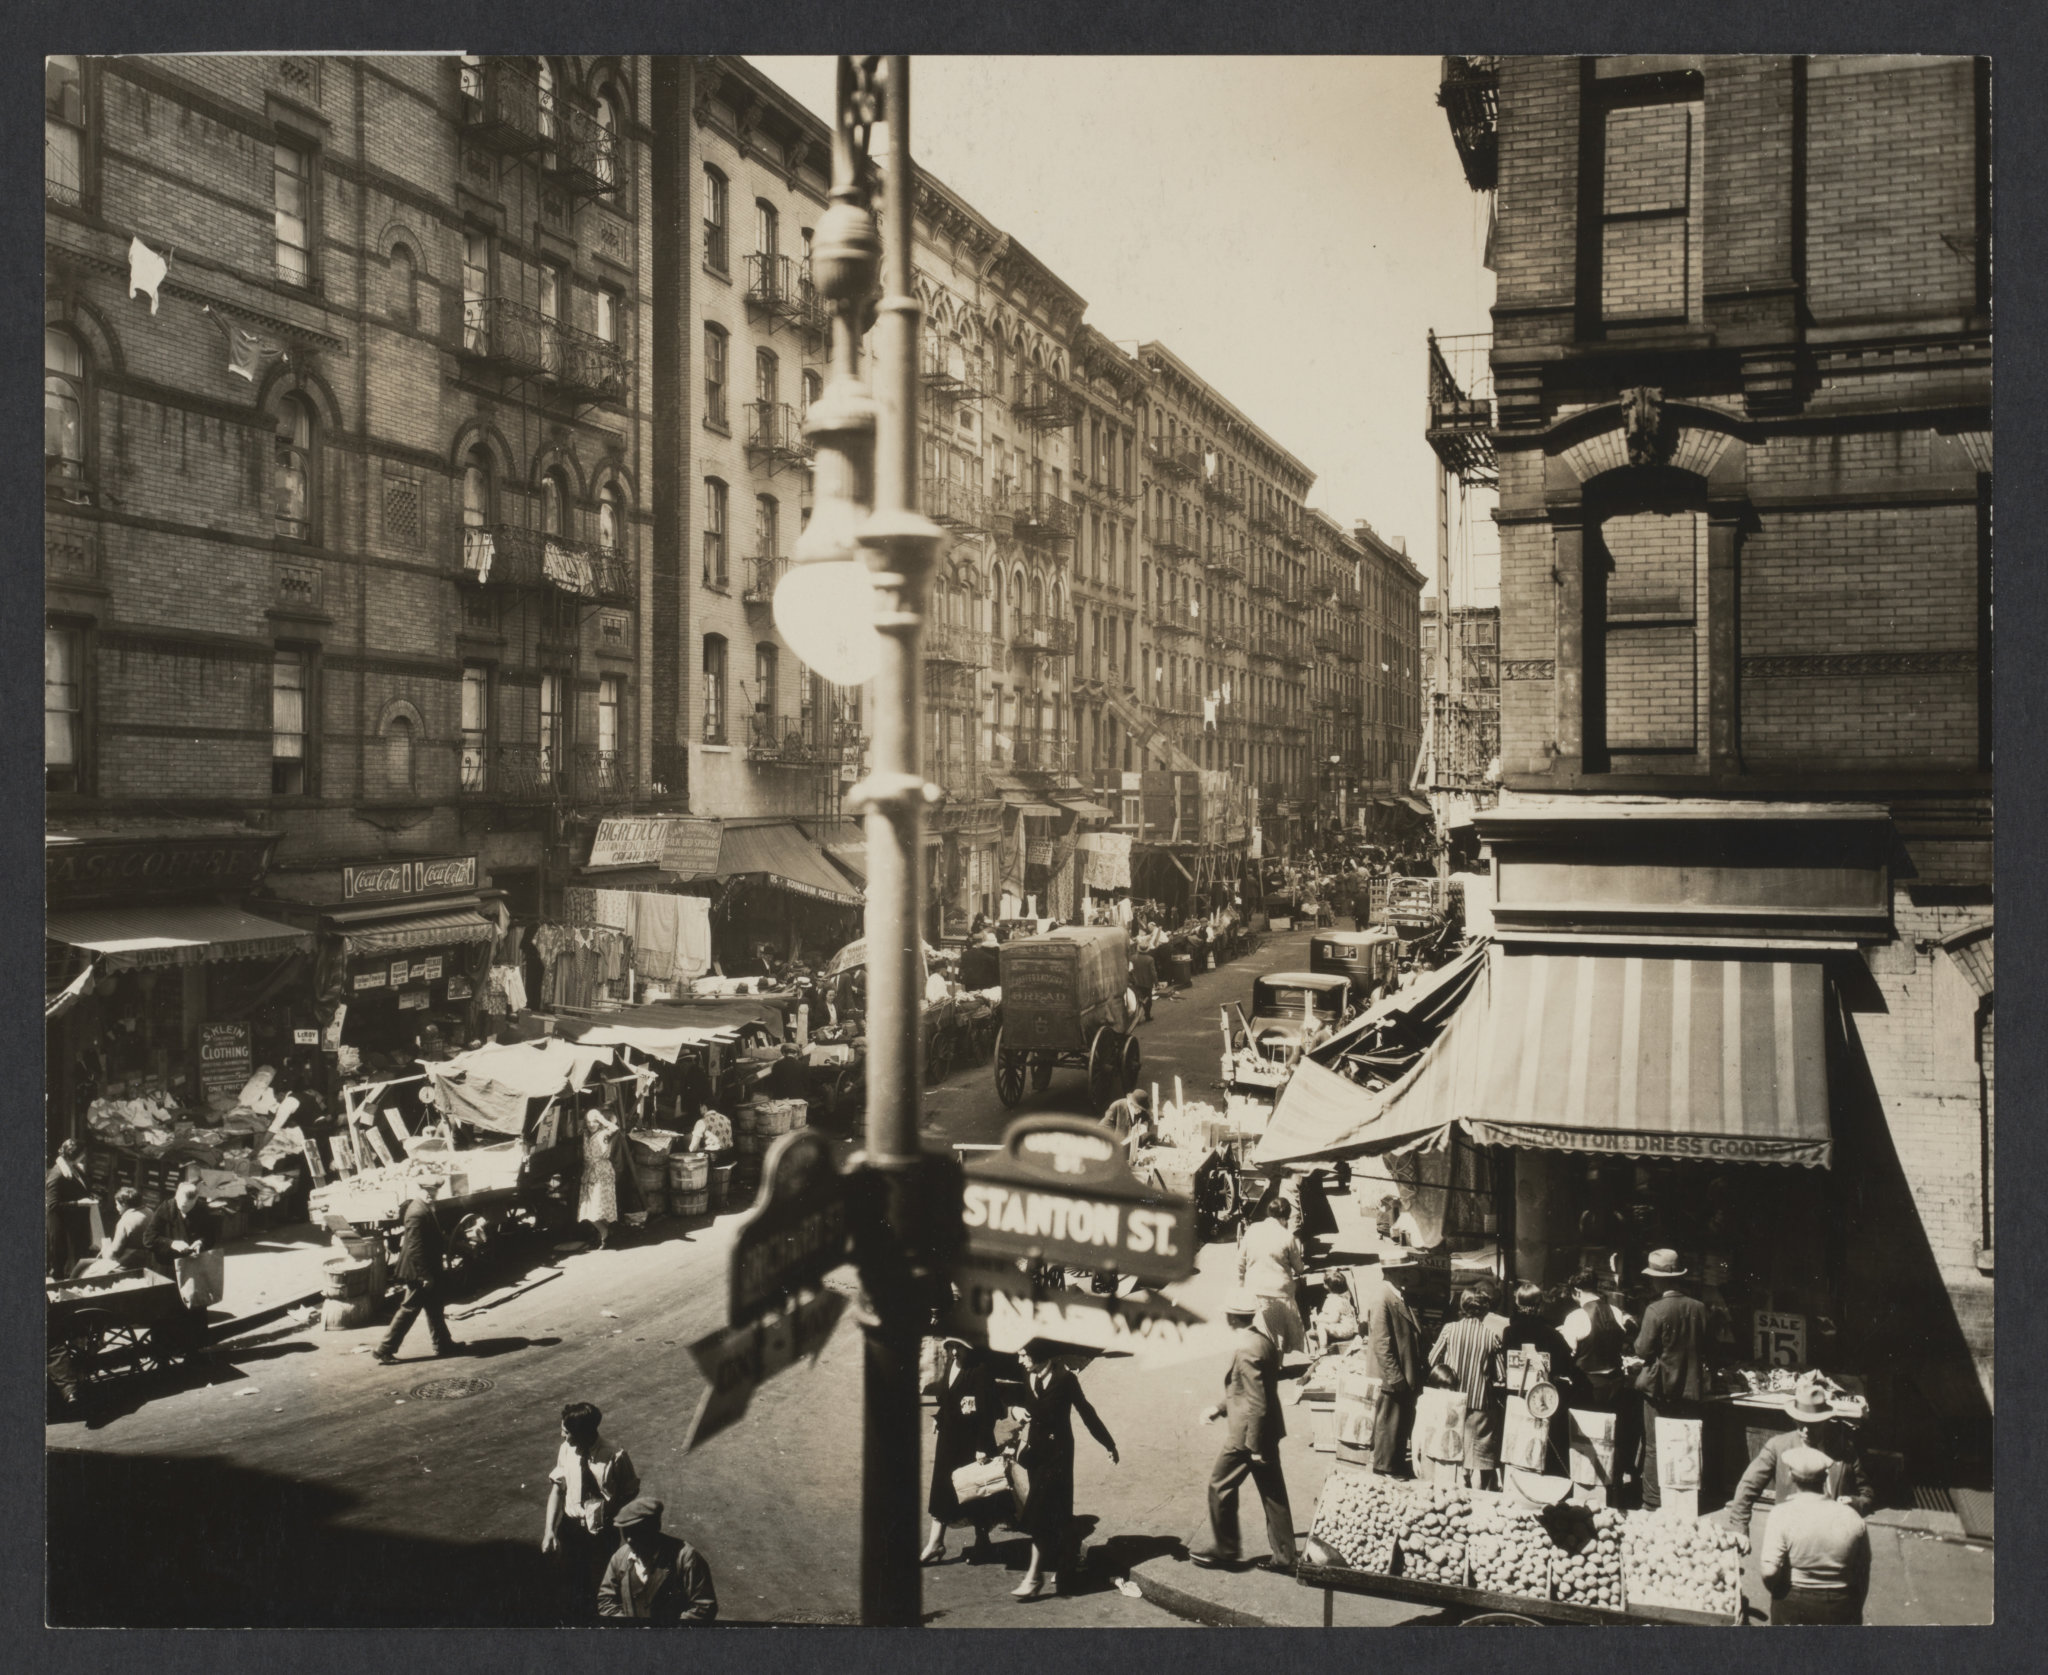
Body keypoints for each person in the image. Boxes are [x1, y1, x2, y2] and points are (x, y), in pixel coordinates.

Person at [1193, 1291, 1297, 1573]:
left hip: (1247, 1435)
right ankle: (1286, 1556)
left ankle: (1225, 1550)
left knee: (1219, 1485)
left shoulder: (1246, 1348)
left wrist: (1255, 1446)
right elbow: (1250, 1391)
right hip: (1268, 1430)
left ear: (1233, 1317)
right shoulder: (1263, 1341)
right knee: (1273, 1494)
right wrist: (1219, 1407)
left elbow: (1256, 1401)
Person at [1007, 1342, 1119, 1599]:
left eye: (1024, 1355)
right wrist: (1015, 1411)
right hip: (1035, 1455)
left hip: (1057, 1456)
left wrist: (1108, 1443)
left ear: (1040, 1355)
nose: (1019, 1359)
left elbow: (1086, 1412)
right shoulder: (1028, 1374)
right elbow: (1017, 1400)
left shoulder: (1065, 1379)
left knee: (1038, 1513)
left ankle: (1034, 1578)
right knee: (1056, 1514)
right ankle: (1068, 1560)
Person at [1726, 1381, 1875, 1542]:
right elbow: (1748, 1487)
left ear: (1825, 1420)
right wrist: (1739, 1529)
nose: (1805, 1430)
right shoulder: (1778, 1446)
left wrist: (1854, 1503)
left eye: (1813, 1424)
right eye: (1801, 1423)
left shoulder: (1844, 1450)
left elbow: (1867, 1495)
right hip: (1792, 1538)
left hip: (1833, 1538)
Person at [543, 1400, 642, 1622]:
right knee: (569, 1586)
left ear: (584, 1431)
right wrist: (549, 1530)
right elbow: (557, 1491)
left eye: (566, 1432)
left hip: (601, 1533)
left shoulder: (614, 1455)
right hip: (570, 1529)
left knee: (600, 1589)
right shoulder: (566, 1450)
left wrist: (610, 1509)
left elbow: (631, 1490)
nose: (562, 1436)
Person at [1633, 1249, 1712, 1511]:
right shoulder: (1699, 1308)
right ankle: (1686, 1499)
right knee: (1687, 1442)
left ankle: (1653, 1501)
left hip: (1660, 1389)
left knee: (1656, 1444)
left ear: (1659, 1280)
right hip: (1691, 1386)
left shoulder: (1655, 1310)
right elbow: (1706, 1346)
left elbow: (1642, 1350)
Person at [1758, 1446, 1871, 1624]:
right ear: (1825, 1478)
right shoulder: (1852, 1517)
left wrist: (1779, 1594)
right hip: (1841, 1605)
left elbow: (1769, 1572)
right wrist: (1854, 1609)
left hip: (1794, 1604)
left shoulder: (1781, 1514)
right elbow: (1862, 1573)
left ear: (1790, 1476)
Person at [1560, 1270, 1642, 1501]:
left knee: (1587, 1442)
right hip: (1615, 1385)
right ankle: (1612, 1489)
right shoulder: (1616, 1311)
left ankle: (1587, 1492)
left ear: (1576, 1292)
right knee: (1612, 1439)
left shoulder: (1575, 1317)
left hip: (1588, 1386)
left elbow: (1569, 1352)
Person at [922, 1337, 1001, 1566]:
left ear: (970, 1348)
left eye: (960, 1348)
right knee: (942, 1491)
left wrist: (982, 1447)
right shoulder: (951, 1365)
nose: (955, 1352)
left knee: (977, 1494)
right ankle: (936, 1543)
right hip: (949, 1442)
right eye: (952, 1347)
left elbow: (988, 1413)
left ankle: (982, 1541)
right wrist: (939, 1418)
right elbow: (948, 1399)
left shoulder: (980, 1371)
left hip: (971, 1445)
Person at [1427, 1287, 1505, 1489]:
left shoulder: (1449, 1329)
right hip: (1481, 1403)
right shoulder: (1491, 1336)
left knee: (1451, 1451)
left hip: (1451, 1401)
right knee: (1478, 1457)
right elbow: (1501, 1375)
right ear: (1485, 1310)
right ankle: (1477, 1498)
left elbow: (1432, 1359)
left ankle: (1454, 1490)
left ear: (1462, 1307)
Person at [373, 1189, 461, 1364]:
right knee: (410, 1308)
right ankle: (384, 1349)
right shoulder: (417, 1212)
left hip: (427, 1267)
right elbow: (415, 1247)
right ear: (418, 1190)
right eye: (427, 1191)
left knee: (435, 1306)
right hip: (418, 1270)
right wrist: (424, 1275)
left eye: (434, 1191)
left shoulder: (423, 1207)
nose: (431, 1194)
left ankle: (443, 1344)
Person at [597, 1497, 718, 1623]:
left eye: (636, 1531)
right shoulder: (620, 1557)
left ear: (655, 1527)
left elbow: (703, 1606)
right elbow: (606, 1601)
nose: (629, 1540)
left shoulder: (685, 1557)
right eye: (625, 1533)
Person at [1363, 1253, 1425, 1476]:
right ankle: (1385, 1467)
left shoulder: (1396, 1294)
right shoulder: (1382, 1298)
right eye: (1403, 1270)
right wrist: (1395, 1375)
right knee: (1388, 1423)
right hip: (1391, 1376)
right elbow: (1381, 1342)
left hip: (1401, 1371)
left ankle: (1394, 1464)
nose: (1407, 1274)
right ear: (1392, 1272)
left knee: (1397, 1422)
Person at [1236, 1196, 1307, 1360]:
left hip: (1254, 1288)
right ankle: (1277, 1366)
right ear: (1285, 1217)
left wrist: (1241, 1282)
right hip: (1280, 1292)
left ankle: (1258, 1361)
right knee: (1279, 1331)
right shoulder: (1287, 1236)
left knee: (1259, 1329)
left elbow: (1240, 1259)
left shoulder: (1252, 1229)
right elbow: (1299, 1268)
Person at [46, 1139, 99, 1279]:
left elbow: (80, 1188)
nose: (85, 1157)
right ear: (75, 1156)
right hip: (63, 1228)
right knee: (63, 1264)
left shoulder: (75, 1169)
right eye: (82, 1154)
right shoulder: (57, 1175)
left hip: (75, 1224)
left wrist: (89, 1195)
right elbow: (53, 1205)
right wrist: (78, 1203)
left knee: (76, 1259)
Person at [578, 1101, 621, 1250]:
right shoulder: (585, 1134)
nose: (591, 1124)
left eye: (594, 1121)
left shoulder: (604, 1134)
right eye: (589, 1122)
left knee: (599, 1206)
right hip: (589, 1172)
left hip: (602, 1172)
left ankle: (605, 1233)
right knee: (590, 1208)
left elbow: (614, 1127)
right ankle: (605, 1233)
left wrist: (601, 1118)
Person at [1309, 1268, 1361, 1355]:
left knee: (1321, 1326)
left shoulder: (1334, 1300)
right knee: (1322, 1323)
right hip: (1348, 1328)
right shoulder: (1345, 1295)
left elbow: (1333, 1319)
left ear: (1328, 1286)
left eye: (1324, 1282)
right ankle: (1322, 1334)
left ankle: (1323, 1348)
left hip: (1344, 1330)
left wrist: (1319, 1319)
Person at [1129, 941, 1157, 1023]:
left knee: (1137, 999)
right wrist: (1156, 982)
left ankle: (1136, 1017)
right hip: (1147, 983)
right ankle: (1147, 1015)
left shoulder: (1132, 958)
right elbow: (1153, 972)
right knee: (1148, 999)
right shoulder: (1150, 959)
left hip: (1135, 982)